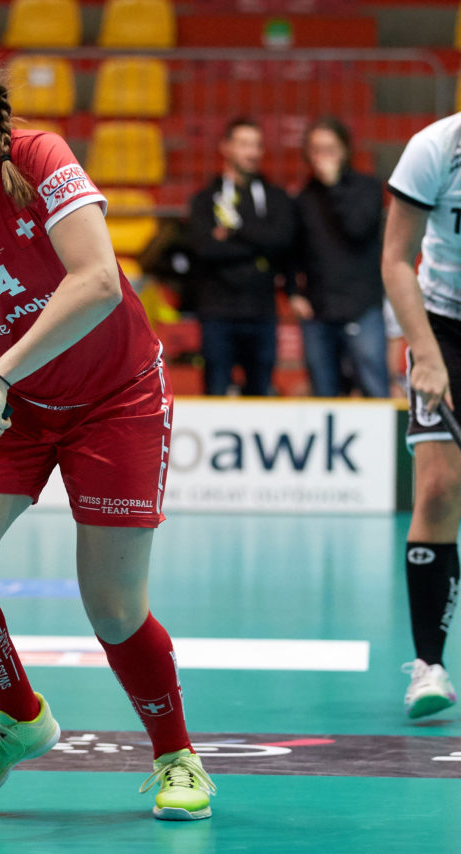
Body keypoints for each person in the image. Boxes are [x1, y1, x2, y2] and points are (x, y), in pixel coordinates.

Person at [0, 34, 215, 820]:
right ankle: (20, 716)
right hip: (14, 406)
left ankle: (176, 756)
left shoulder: (37, 157)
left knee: (113, 607)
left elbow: (98, 281)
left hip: (115, 396)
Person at [381, 112, 461, 719]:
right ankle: (429, 666)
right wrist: (426, 356)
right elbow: (395, 259)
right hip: (443, 328)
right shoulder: (435, 147)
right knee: (437, 490)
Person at [187, 118, 295, 396]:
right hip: (217, 312)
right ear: (226, 148)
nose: (253, 152)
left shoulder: (276, 197)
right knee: (216, 391)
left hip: (262, 312)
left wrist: (234, 231)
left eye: (257, 145)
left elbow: (282, 240)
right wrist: (260, 244)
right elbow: (205, 249)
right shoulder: (204, 199)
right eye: (245, 144)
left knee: (260, 394)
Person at [289, 117, 388, 398]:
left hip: (362, 306)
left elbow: (358, 229)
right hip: (319, 311)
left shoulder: (368, 188)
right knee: (324, 394)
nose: (323, 157)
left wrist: (334, 187)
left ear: (345, 150)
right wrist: (294, 292)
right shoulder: (304, 198)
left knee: (373, 388)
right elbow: (293, 250)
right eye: (316, 150)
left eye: (330, 149)